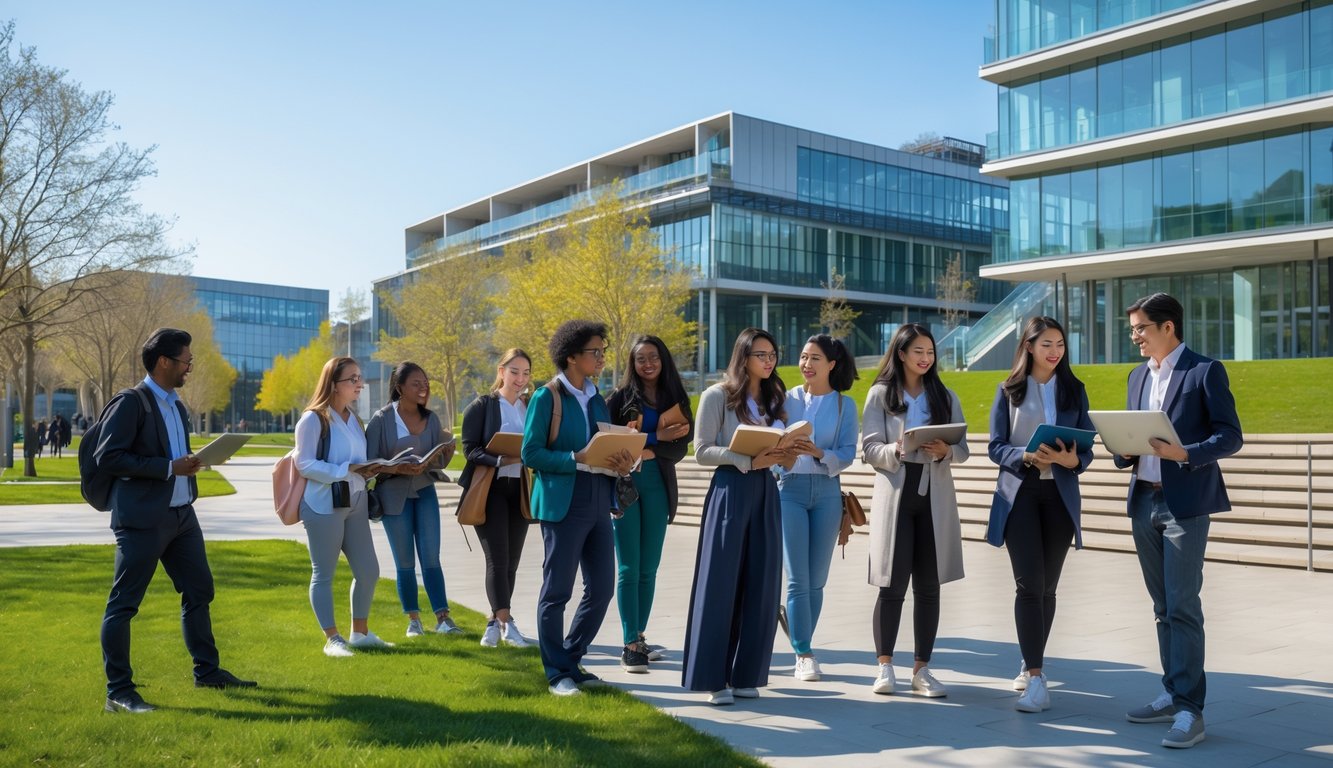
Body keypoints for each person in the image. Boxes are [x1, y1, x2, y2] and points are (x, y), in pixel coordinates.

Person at [95, 327, 256, 714]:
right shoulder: (132, 403)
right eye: (186, 361)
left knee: (199, 591)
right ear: (164, 362)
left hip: (183, 516)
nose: (190, 367)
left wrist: (197, 461)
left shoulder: (177, 405)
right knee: (124, 604)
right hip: (143, 521)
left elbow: (174, 458)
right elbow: (108, 457)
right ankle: (118, 691)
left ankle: (207, 671)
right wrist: (170, 467)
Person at [1115, 293, 1242, 749]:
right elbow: (1124, 443)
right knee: (1161, 608)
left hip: (1185, 504)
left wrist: (1185, 453)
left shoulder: (1204, 371)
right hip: (1143, 502)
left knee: (1183, 605)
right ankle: (1171, 694)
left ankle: (1191, 710)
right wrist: (1122, 449)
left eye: (1141, 328)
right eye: (1132, 329)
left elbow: (1230, 436)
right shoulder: (1136, 377)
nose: (1135, 337)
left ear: (1168, 327)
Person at [986, 316, 1095, 713]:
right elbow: (996, 446)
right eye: (1047, 344)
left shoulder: (1074, 389)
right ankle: (1036, 677)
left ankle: (1030, 659)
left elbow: (1088, 449)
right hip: (1022, 493)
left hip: (1060, 495)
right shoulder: (1009, 389)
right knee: (1029, 585)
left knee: (1047, 588)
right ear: (1029, 346)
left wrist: (1072, 458)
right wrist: (1025, 455)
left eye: (1060, 345)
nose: (1055, 352)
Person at [520, 321, 635, 697]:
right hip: (562, 502)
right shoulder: (546, 397)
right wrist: (576, 457)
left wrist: (620, 461)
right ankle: (557, 673)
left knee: (602, 588)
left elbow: (600, 449)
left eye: (603, 351)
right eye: (595, 352)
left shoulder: (597, 398)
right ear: (571, 356)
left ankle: (570, 658)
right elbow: (530, 453)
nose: (602, 358)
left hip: (599, 499)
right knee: (557, 591)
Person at [683, 327, 791, 706]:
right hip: (730, 490)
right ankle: (714, 679)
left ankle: (747, 674)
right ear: (743, 356)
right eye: (761, 354)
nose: (769, 360)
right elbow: (701, 450)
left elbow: (780, 449)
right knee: (721, 584)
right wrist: (745, 458)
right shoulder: (717, 395)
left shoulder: (776, 398)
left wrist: (787, 453)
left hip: (766, 492)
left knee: (762, 585)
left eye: (772, 353)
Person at [860, 322, 968, 698]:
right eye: (918, 351)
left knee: (928, 587)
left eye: (930, 352)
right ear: (901, 354)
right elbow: (870, 448)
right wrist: (895, 450)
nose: (925, 358)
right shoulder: (880, 395)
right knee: (891, 584)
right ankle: (884, 666)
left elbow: (964, 447)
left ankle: (922, 669)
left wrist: (947, 451)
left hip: (934, 496)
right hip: (896, 494)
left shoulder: (945, 395)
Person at [605, 335, 695, 673]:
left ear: (663, 359)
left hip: (658, 483)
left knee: (649, 567)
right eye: (641, 359)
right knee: (629, 566)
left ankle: (639, 636)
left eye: (653, 357)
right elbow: (604, 437)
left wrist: (652, 446)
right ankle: (630, 644)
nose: (647, 364)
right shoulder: (618, 398)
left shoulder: (675, 397)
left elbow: (682, 444)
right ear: (632, 363)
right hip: (625, 486)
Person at [295, 356, 387, 657]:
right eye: (353, 379)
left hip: (356, 501)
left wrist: (369, 470)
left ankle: (359, 633)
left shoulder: (354, 419)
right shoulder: (313, 419)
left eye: (360, 378)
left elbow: (355, 463)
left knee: (369, 571)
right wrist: (346, 470)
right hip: (323, 505)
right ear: (334, 385)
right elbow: (304, 463)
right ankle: (332, 639)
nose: (360, 384)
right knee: (323, 573)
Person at [778, 334, 858, 682]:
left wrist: (818, 453)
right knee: (797, 579)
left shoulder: (845, 406)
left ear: (832, 365)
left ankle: (801, 638)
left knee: (817, 581)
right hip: (789, 491)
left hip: (827, 492)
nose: (807, 364)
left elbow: (847, 453)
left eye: (815, 359)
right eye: (804, 356)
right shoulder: (786, 400)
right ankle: (803, 652)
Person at [364, 361, 460, 638]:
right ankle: (414, 621)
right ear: (399, 387)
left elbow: (438, 460)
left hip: (425, 490)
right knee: (404, 561)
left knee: (431, 557)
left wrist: (447, 451)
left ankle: (443, 618)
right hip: (393, 496)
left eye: (426, 383)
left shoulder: (431, 419)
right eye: (416, 383)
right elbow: (370, 463)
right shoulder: (381, 420)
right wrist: (398, 468)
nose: (423, 388)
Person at [459, 348, 536, 649]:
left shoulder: (530, 407)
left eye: (526, 373)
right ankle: (508, 624)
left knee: (512, 563)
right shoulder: (482, 406)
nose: (520, 379)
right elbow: (470, 450)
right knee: (497, 559)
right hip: (489, 489)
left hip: (519, 489)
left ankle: (494, 622)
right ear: (501, 371)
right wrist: (500, 460)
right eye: (515, 371)